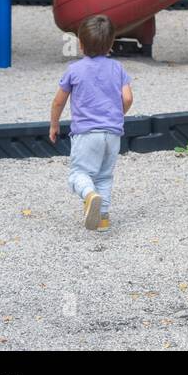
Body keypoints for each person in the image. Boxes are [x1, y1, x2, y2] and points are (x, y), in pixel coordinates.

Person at [49, 14, 133, 231]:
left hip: (86, 133)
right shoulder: (117, 68)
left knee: (78, 174)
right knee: (104, 176)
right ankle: (102, 219)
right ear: (111, 43)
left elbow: (59, 101)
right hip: (112, 133)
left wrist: (54, 124)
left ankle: (89, 194)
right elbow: (127, 98)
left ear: (80, 43)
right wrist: (118, 115)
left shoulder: (74, 70)